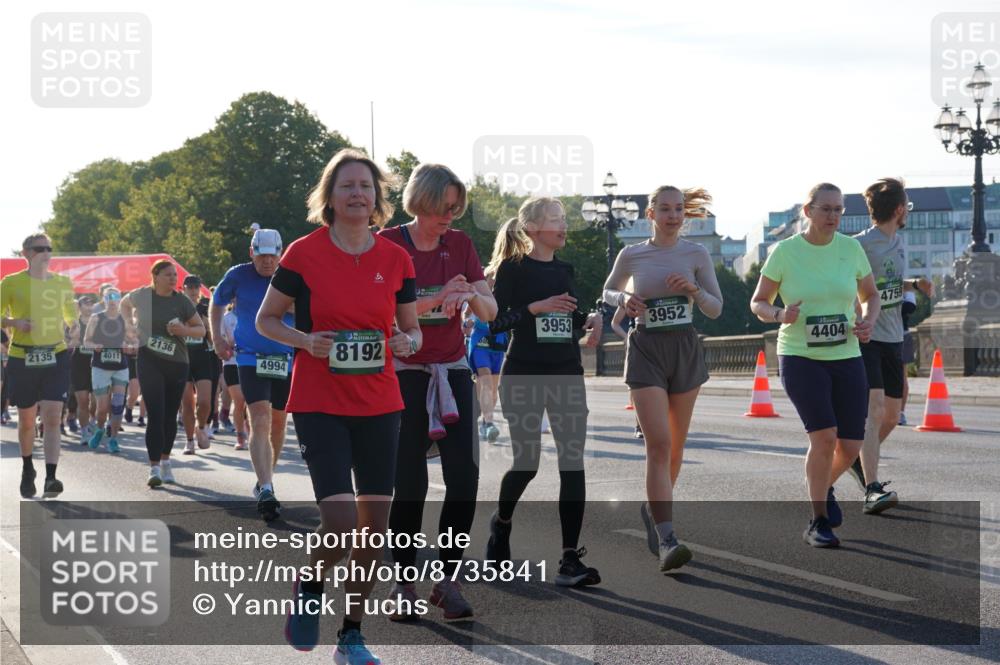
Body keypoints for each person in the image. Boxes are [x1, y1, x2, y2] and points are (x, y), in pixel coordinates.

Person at [259, 149, 420, 665]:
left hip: (380, 401)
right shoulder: (303, 254)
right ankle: (310, 585)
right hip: (319, 401)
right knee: (341, 519)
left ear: (378, 198)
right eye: (347, 185)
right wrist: (306, 340)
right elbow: (266, 320)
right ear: (329, 196)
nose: (357, 194)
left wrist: (408, 342)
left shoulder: (395, 259)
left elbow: (411, 328)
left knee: (373, 529)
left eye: (366, 187)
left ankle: (351, 634)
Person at [379, 163, 497, 620]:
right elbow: (379, 311)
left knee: (464, 479)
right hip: (404, 373)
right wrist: (436, 298)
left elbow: (490, 310)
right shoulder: (388, 244)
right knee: (409, 483)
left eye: (455, 208)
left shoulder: (460, 245)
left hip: (451, 371)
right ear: (420, 202)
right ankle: (404, 583)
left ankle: (448, 581)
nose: (450, 216)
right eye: (442, 207)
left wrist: (469, 295)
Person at [750, 182, 880, 548]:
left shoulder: (851, 249)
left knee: (851, 446)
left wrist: (868, 320)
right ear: (808, 212)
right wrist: (780, 314)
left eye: (838, 209)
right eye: (826, 209)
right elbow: (757, 302)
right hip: (800, 357)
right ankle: (818, 520)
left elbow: (870, 295)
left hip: (847, 355)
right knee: (824, 437)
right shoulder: (785, 252)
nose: (833, 216)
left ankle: (821, 485)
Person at [483, 199, 604, 588]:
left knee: (572, 462)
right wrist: (534, 307)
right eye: (555, 220)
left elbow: (568, 320)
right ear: (533, 228)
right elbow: (495, 323)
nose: (564, 225)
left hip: (566, 372)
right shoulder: (512, 269)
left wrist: (589, 321)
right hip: (524, 374)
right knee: (527, 463)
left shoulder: (566, 270)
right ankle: (502, 523)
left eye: (564, 219)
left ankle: (569, 559)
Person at [604, 185, 723, 571]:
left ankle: (653, 509)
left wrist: (693, 290)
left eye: (678, 210)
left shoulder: (696, 253)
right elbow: (607, 290)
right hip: (646, 349)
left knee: (675, 448)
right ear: (651, 214)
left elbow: (716, 308)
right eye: (666, 209)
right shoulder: (632, 254)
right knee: (658, 444)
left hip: (684, 348)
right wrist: (624, 299)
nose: (673, 216)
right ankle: (668, 538)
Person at [840, 178, 934, 514]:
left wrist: (914, 284)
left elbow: (885, 283)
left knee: (893, 415)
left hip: (894, 336)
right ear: (898, 210)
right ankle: (872, 487)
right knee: (875, 409)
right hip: (866, 337)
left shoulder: (898, 242)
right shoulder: (859, 245)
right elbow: (850, 284)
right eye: (907, 207)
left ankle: (856, 459)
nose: (907, 212)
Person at [211, 228, 295, 521]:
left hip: (286, 358)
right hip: (249, 357)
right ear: (252, 253)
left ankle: (264, 478)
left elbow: (312, 311)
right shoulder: (238, 275)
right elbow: (217, 304)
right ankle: (267, 488)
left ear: (281, 254)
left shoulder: (292, 275)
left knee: (278, 423)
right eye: (262, 256)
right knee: (259, 417)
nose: (267, 262)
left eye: (273, 256)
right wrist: (217, 338)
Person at [1, 233, 77, 498]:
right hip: (23, 357)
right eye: (40, 248)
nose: (46, 253)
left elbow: (69, 313)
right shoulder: (11, 282)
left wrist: (74, 326)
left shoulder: (62, 282)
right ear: (26, 253)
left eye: (49, 248)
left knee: (53, 416)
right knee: (26, 421)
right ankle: (27, 469)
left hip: (55, 355)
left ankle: (51, 477)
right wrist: (14, 323)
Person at [122, 260, 205, 487]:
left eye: (175, 275)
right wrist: (129, 326)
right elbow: (124, 304)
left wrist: (183, 330)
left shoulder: (182, 301)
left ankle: (166, 461)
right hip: (149, 360)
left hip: (177, 362)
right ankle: (154, 467)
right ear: (155, 276)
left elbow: (200, 330)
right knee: (156, 413)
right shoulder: (143, 295)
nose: (173, 279)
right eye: (168, 275)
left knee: (169, 415)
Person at [84, 287, 134, 453]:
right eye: (108, 297)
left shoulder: (125, 319)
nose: (112, 300)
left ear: (120, 299)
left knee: (118, 405)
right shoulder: (96, 318)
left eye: (116, 296)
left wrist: (128, 345)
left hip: (120, 367)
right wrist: (95, 346)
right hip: (100, 367)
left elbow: (133, 340)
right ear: (103, 300)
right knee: (102, 408)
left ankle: (113, 439)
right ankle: (99, 429)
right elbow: (86, 341)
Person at [465, 293, 507, 444]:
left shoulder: (507, 291)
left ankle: (484, 420)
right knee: (486, 382)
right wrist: (468, 322)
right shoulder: (480, 290)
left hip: (498, 341)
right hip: (480, 341)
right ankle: (489, 423)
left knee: (493, 390)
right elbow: (466, 313)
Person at [180, 275, 214, 453]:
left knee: (205, 402)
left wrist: (208, 328)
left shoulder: (205, 307)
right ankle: (189, 441)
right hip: (183, 359)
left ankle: (201, 428)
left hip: (202, 358)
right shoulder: (177, 308)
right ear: (184, 288)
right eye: (190, 287)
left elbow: (212, 339)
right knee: (187, 403)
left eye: (196, 287)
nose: (193, 290)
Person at [610, 304, 643, 438]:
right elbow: (615, 323)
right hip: (639, 346)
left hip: (665, 344)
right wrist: (627, 337)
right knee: (640, 385)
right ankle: (640, 426)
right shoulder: (631, 296)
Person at [69, 294, 97, 444]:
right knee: (83, 401)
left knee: (96, 402)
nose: (89, 307)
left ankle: (93, 421)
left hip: (96, 365)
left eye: (91, 304)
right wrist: (75, 335)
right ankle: (84, 431)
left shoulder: (99, 322)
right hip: (78, 365)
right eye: (85, 304)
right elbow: (70, 343)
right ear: (79, 307)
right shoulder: (74, 322)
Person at [219, 304, 249, 448]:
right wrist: (227, 345)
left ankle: (251, 431)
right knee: (239, 400)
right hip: (231, 363)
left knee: (250, 401)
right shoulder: (226, 318)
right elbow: (219, 340)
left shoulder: (252, 314)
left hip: (250, 363)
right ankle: (240, 436)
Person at [898, 290, 918, 426]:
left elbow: (910, 307)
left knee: (901, 376)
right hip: (879, 336)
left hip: (902, 336)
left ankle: (900, 412)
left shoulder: (906, 286)